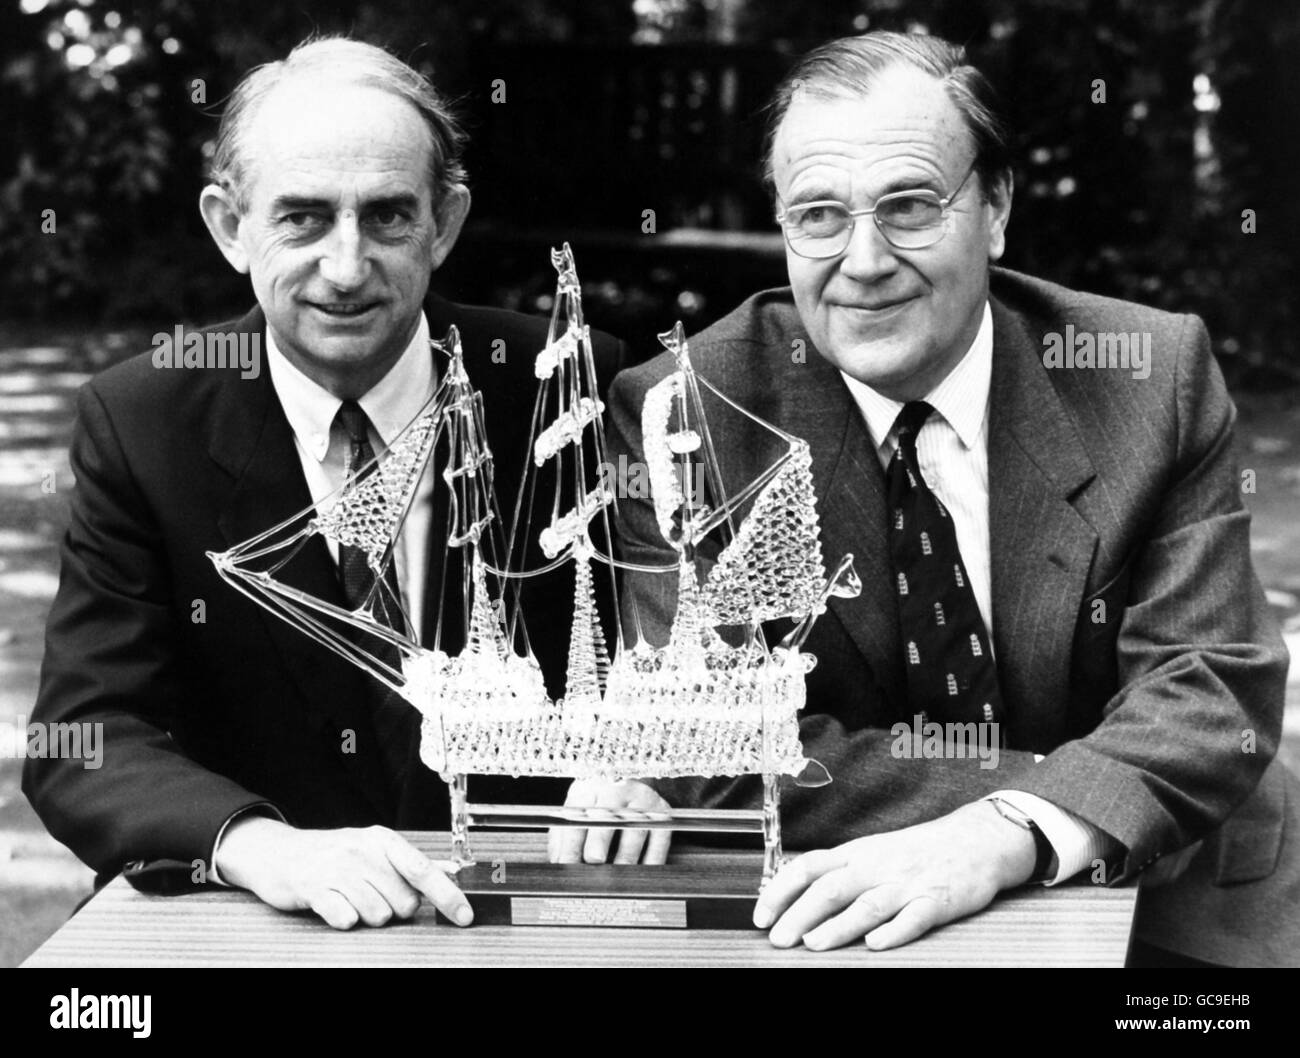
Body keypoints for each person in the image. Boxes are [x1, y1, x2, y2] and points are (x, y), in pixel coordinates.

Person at [562, 31, 1297, 967]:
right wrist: (1039, 793)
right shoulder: (690, 411)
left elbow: (1211, 688)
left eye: (910, 207)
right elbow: (714, 744)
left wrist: (1008, 832)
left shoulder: (1149, 378)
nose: (863, 260)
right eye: (818, 215)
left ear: (993, 210)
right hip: (857, 907)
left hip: (1179, 891)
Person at [24, 37, 625, 931]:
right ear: (231, 226)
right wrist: (265, 847)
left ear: (445, 222)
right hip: (257, 927)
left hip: (529, 918)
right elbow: (85, 740)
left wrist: (646, 772)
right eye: (302, 218)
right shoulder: (145, 422)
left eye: (387, 217)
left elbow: (664, 663)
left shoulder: (564, 384)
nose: (346, 268)